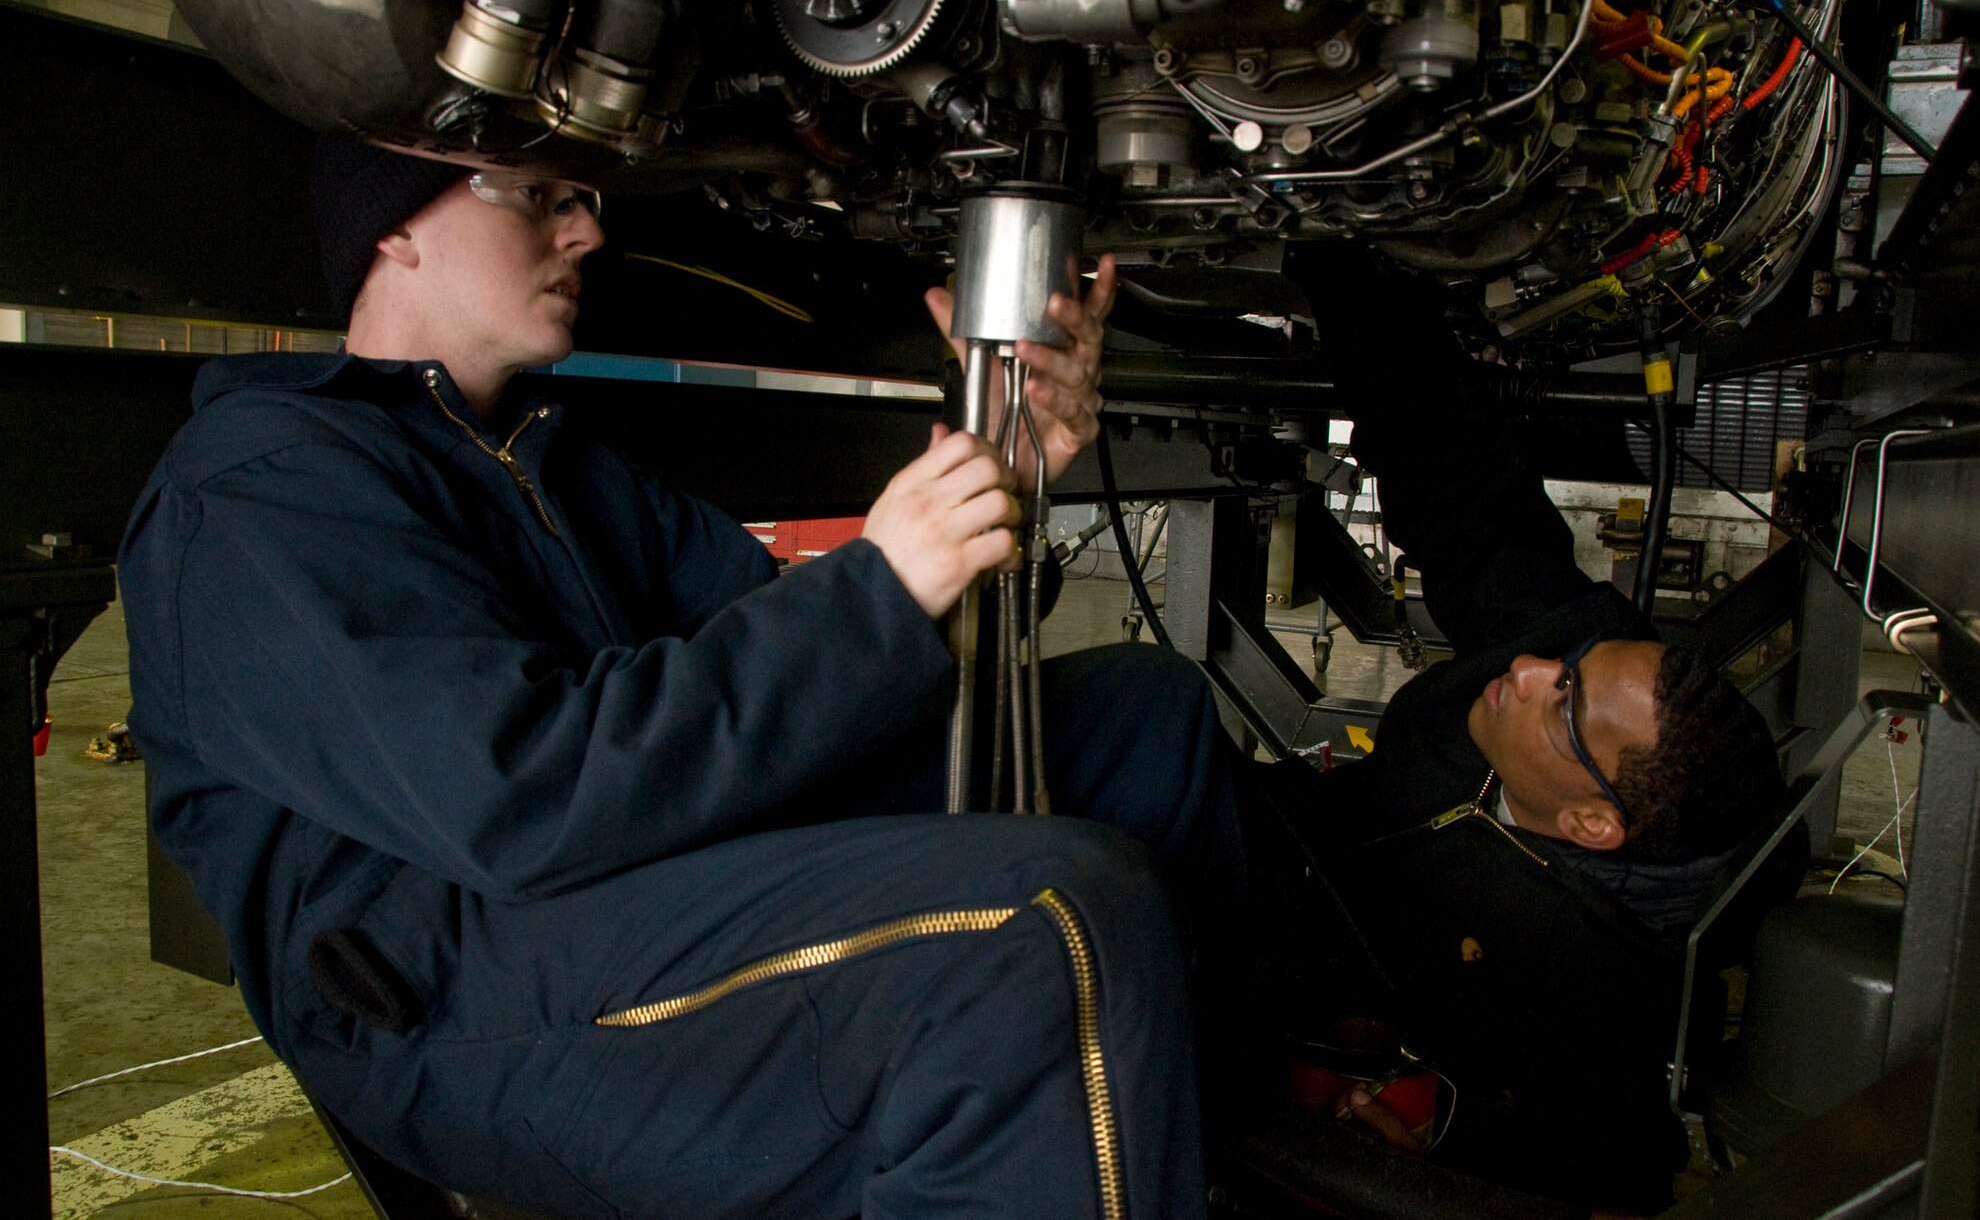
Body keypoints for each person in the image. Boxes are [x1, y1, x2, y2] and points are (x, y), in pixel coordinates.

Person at [120, 141, 1243, 1218]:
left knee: (1145, 716)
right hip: (446, 996)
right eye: (537, 195)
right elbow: (517, 797)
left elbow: (808, 680)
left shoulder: (561, 461)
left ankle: (1190, 1140)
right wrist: (877, 584)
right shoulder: (265, 482)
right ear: (395, 232)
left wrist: (997, 458)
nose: (585, 227)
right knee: (1040, 923)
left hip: (622, 878)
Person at [1276, 260, 1785, 1212]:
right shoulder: (1559, 640)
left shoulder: (1586, 970)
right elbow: (1460, 489)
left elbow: (1621, 1160)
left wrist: (1453, 1130)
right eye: (1579, 662)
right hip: (1310, 828)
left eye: (1564, 704)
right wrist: (1352, 267)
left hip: (1311, 954)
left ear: (1594, 823)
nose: (1536, 670)